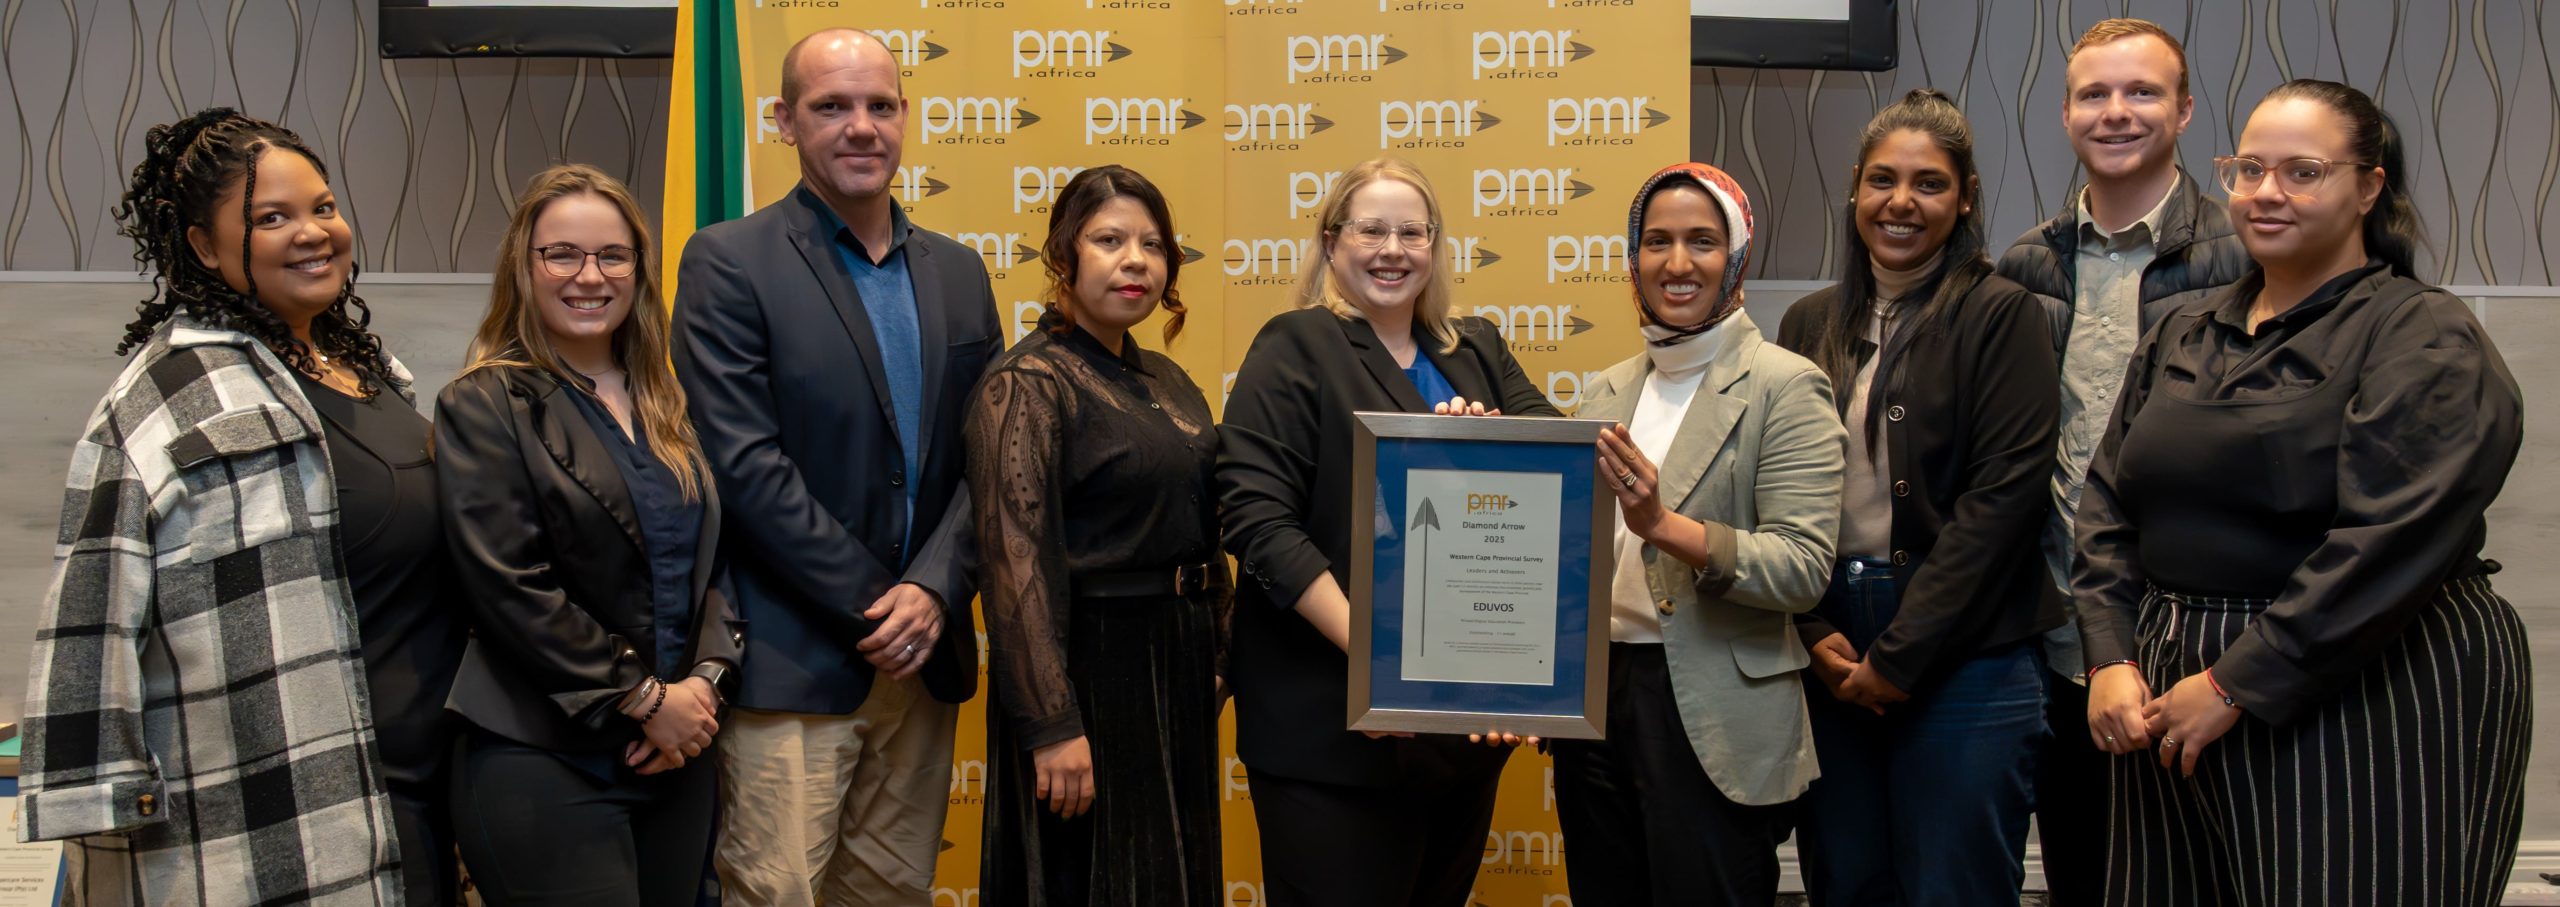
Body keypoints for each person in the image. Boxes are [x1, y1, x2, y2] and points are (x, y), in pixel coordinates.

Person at [2075, 78, 2529, 906]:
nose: (2266, 192)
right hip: (2169, 687)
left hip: (2364, 677)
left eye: (2303, 172)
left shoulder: (2421, 333)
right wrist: (2109, 654)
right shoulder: (2183, 331)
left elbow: (2390, 539)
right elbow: (2107, 504)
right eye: (2249, 169)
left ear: (2369, 187)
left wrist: (2235, 682)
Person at [16, 107, 457, 905]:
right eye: (271, 217)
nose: (313, 232)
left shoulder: (376, 376)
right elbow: (90, 610)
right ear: (203, 246)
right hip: (269, 825)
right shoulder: (164, 398)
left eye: (323, 207)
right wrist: (103, 812)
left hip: (420, 807)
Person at [671, 27, 1000, 906]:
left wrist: (934, 590)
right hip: (795, 666)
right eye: (831, 106)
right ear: (784, 121)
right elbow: (743, 466)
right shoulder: (728, 260)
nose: (861, 126)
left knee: (893, 893)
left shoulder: (961, 272)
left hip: (923, 665)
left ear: (904, 116)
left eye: (880, 105)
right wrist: (884, 606)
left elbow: (992, 458)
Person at [1217, 157, 1556, 907]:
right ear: (1331, 242)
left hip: (1455, 739)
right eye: (1371, 230)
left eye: (1412, 232)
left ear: (1436, 245)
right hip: (1332, 735)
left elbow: (1558, 474)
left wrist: (1489, 448)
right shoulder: (1298, 344)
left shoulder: (1476, 350)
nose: (1392, 249)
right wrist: (1382, 664)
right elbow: (1256, 519)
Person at [1773, 88, 2062, 907]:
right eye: (1883, 180)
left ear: (1964, 198)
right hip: (1832, 647)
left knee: (1953, 886)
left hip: (1968, 652)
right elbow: (1776, 491)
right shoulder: (1806, 323)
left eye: (1929, 183)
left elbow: (2002, 505)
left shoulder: (2003, 314)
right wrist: (1812, 630)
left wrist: (1899, 656)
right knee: (1846, 878)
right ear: (1855, 190)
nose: (1901, 202)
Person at [435, 164, 742, 906]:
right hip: (545, 758)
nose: (590, 276)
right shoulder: (484, 403)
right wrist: (643, 697)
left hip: (676, 754)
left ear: (639, 269)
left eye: (612, 255)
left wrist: (705, 684)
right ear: (524, 265)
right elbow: (510, 586)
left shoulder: (668, 403)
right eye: (563, 254)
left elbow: (712, 568)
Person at [1993, 20, 2250, 903]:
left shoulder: (2242, 255)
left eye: (2142, 91)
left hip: (2200, 640)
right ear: (2065, 114)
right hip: (2058, 643)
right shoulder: (2026, 264)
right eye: (2094, 94)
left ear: (2185, 110)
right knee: (2083, 872)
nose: (2117, 112)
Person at [1555, 161, 1845, 906]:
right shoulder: (1606, 388)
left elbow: (1802, 567)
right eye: (1657, 241)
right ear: (1634, 258)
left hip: (1715, 712)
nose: (1677, 263)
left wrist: (1663, 526)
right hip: (1599, 702)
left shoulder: (1786, 384)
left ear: (1736, 255)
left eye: (1702, 241)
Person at [966, 164, 1231, 907]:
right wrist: (1050, 722)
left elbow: (1202, 527)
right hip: (1086, 674)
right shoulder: (1027, 383)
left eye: (1153, 244)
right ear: (1065, 254)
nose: (1135, 260)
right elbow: (1013, 564)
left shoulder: (1170, 381)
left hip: (1174, 670)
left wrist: (1219, 653)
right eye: (1110, 240)